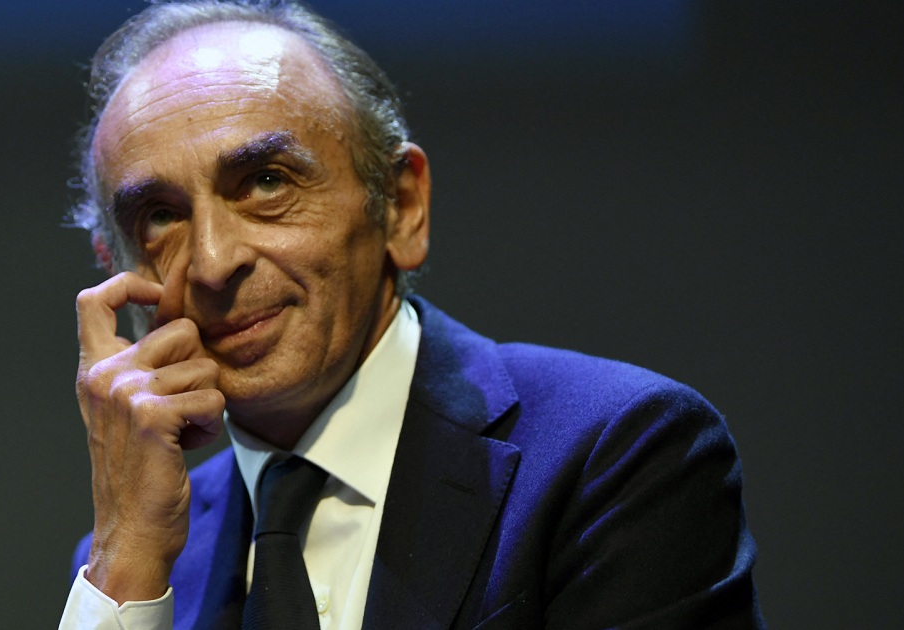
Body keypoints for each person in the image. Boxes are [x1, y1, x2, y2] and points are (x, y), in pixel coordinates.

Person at [59, 1, 764, 628]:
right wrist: (123, 562)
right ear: (116, 270)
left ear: (401, 207)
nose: (213, 263)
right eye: (160, 217)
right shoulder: (139, 560)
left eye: (267, 182)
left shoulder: (615, 455)